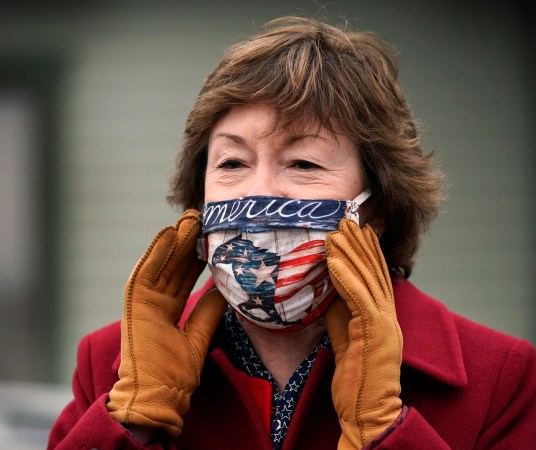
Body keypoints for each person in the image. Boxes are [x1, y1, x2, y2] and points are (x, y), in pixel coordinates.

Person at [48, 16, 536, 449]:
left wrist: (386, 434)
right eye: (232, 162)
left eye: (303, 163)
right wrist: (132, 425)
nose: (258, 193)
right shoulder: (112, 365)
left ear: (379, 208)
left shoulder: (501, 378)